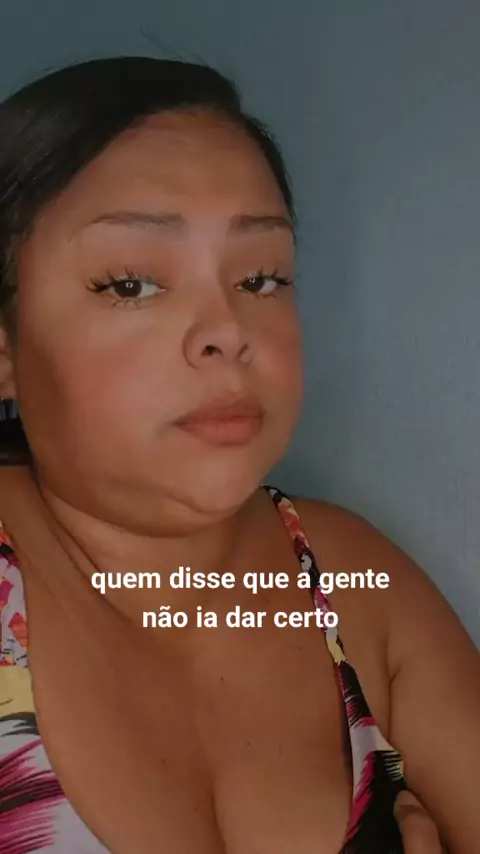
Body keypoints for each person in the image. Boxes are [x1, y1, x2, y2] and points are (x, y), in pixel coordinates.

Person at [0, 56, 477, 854]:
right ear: (5, 345)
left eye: (260, 278)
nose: (227, 328)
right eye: (130, 284)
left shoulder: (358, 584)